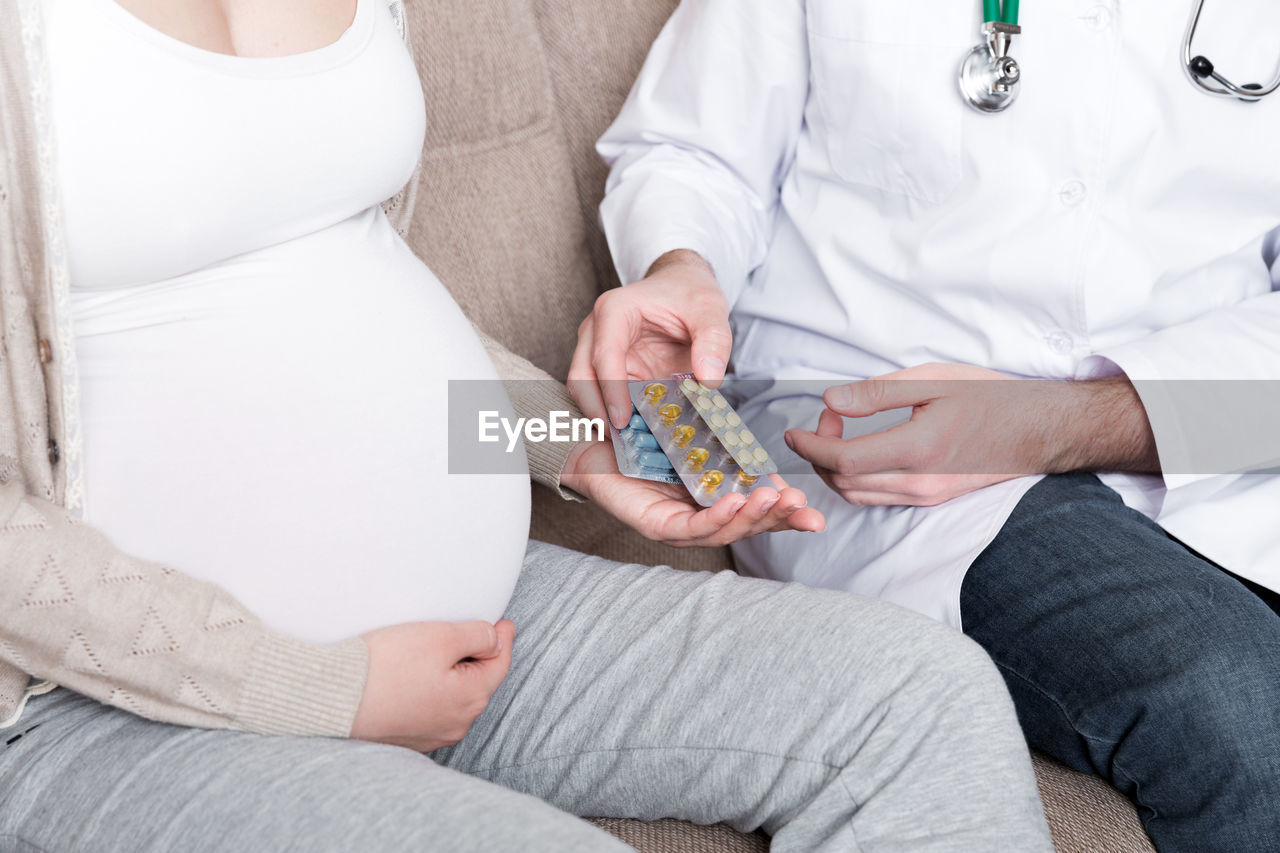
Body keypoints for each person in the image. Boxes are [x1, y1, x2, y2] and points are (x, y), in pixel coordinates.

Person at [0, 0, 1054, 850]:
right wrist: (322, 687)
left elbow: (337, 297)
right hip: (96, 697)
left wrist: (578, 440)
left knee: (919, 702)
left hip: (472, 629)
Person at [577, 1, 1280, 850]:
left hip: (1216, 431)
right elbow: (693, 151)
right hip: (880, 439)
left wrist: (1061, 422)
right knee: (1241, 706)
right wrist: (681, 264)